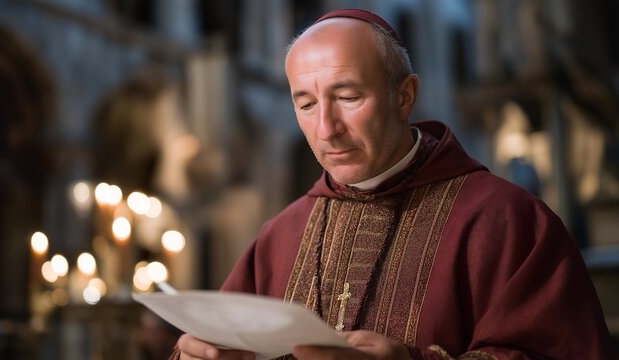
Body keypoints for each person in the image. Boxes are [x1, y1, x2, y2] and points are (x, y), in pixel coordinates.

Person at [172, 8, 616, 360]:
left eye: (348, 97)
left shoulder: (507, 221)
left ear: (404, 96)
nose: (326, 129)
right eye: (306, 104)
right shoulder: (280, 235)